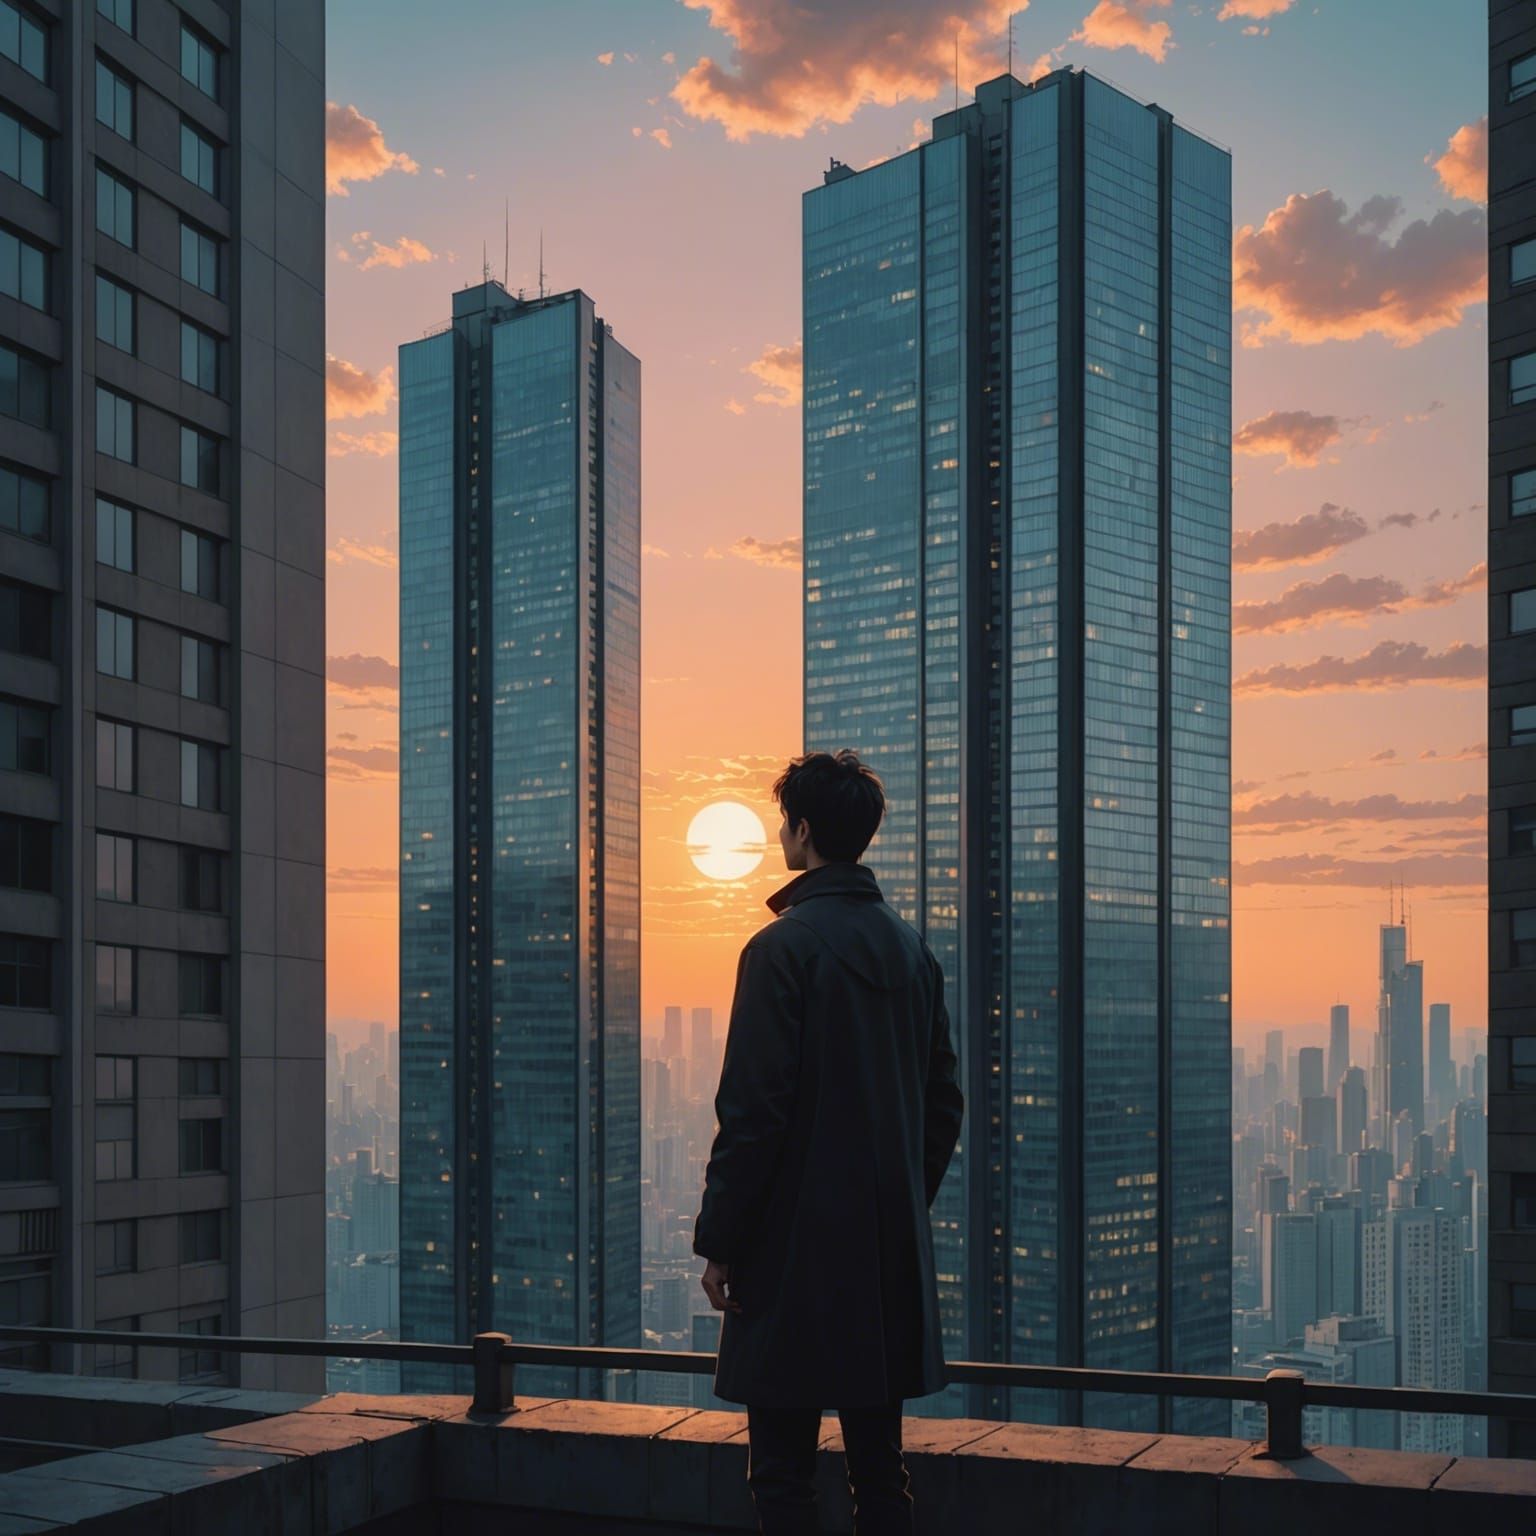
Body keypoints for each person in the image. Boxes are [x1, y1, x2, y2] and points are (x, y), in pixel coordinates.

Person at [694, 750, 965, 1536]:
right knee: (881, 1475)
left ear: (802, 830)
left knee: (781, 1474)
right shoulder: (913, 952)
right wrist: (899, 1198)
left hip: (792, 1260)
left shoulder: (780, 950)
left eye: (785, 821)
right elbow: (943, 1100)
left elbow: (753, 1114)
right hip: (883, 1261)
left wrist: (722, 1243)